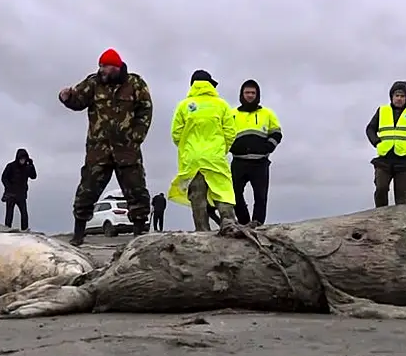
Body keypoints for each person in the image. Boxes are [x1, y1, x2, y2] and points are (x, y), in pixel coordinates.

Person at [59, 48, 153, 246]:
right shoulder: (93, 83)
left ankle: (138, 233)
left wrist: (136, 137)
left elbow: (145, 109)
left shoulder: (135, 84)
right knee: (87, 190)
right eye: (100, 66)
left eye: (106, 66)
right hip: (98, 148)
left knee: (136, 190)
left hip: (126, 149)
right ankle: (78, 234)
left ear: (116, 67)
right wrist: (66, 97)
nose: (102, 70)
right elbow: (78, 101)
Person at [168, 70, 237, 231]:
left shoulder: (184, 106)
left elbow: (176, 134)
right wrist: (221, 150)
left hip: (192, 159)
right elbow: (230, 133)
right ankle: (229, 224)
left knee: (198, 197)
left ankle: (202, 231)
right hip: (215, 157)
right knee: (223, 191)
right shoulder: (222, 105)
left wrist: (188, 149)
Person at [365, 80, 406, 207]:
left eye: (402, 96)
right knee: (381, 188)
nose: (399, 99)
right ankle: (380, 216)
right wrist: (377, 143)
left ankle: (400, 224)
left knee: (402, 199)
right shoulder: (382, 110)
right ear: (392, 97)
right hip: (384, 158)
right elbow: (370, 129)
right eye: (397, 95)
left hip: (405, 160)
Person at [229, 79, 283, 226]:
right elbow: (223, 134)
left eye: (253, 92)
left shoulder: (267, 113)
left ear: (257, 94)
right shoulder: (231, 113)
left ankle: (257, 223)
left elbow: (277, 133)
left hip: (260, 162)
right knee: (234, 194)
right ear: (242, 94)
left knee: (260, 196)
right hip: (239, 161)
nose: (250, 95)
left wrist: (268, 148)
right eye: (247, 92)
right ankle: (244, 221)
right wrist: (231, 147)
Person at [1, 148, 37, 231]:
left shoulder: (27, 167)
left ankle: (25, 230)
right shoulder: (10, 166)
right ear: (18, 158)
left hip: (21, 195)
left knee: (24, 214)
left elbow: (33, 176)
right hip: (11, 194)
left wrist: (31, 165)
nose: (22, 160)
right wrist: (8, 187)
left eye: (24, 159)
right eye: (21, 159)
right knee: (9, 214)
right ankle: (6, 229)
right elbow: (3, 178)